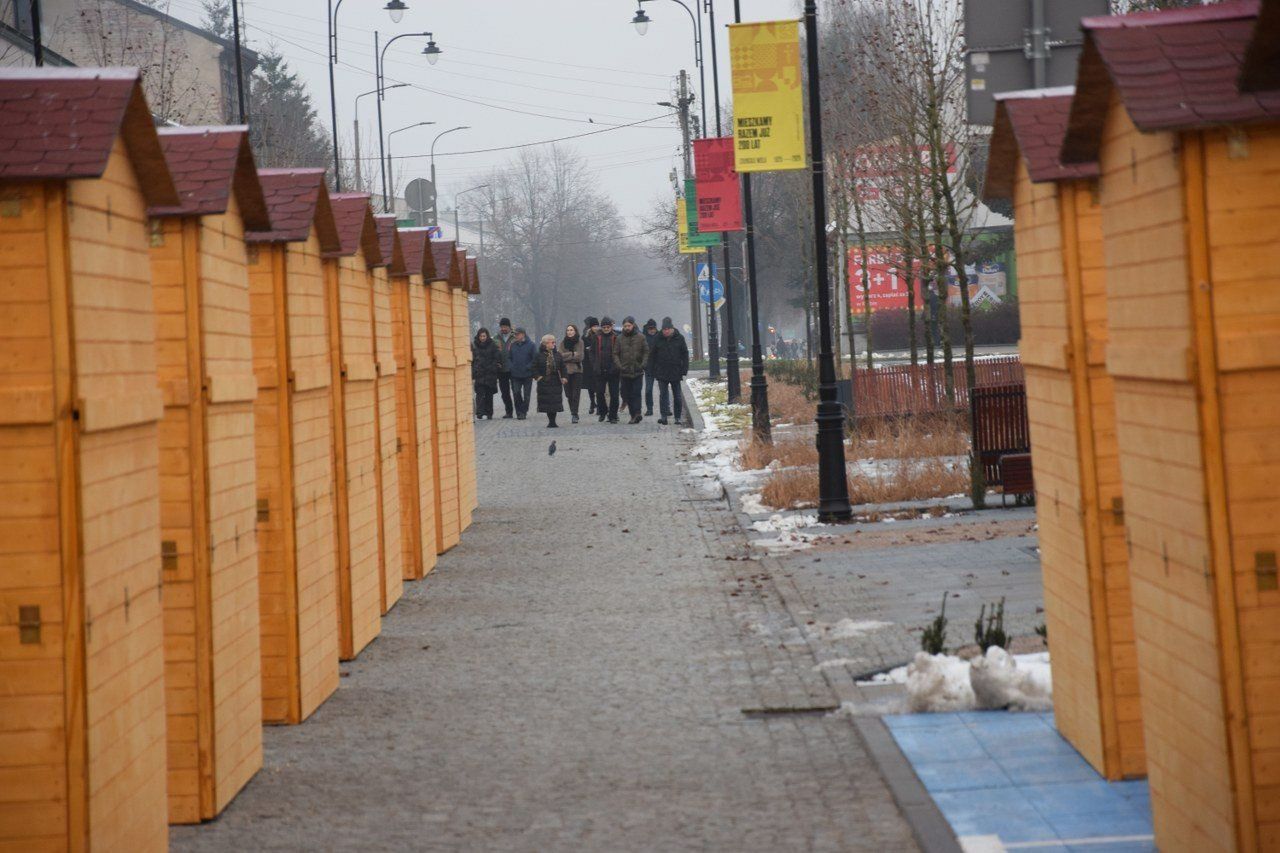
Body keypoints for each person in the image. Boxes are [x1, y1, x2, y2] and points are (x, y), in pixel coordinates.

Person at [648, 317, 689, 425]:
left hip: (676, 370)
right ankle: (664, 416)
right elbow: (652, 355)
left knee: (677, 395)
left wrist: (684, 369)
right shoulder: (658, 338)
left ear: (672, 328)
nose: (665, 331)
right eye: (664, 329)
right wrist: (652, 369)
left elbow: (685, 354)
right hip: (662, 371)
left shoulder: (679, 338)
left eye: (667, 329)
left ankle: (677, 417)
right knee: (663, 395)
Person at [616, 316, 648, 425]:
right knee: (626, 394)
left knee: (636, 393)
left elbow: (646, 352)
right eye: (625, 326)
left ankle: (637, 413)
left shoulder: (641, 337)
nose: (627, 328)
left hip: (637, 371)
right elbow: (615, 353)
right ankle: (632, 414)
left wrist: (642, 364)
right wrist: (619, 365)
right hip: (624, 371)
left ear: (633, 325)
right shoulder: (619, 338)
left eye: (628, 325)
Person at [590, 317, 621, 423]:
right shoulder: (596, 337)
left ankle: (613, 415)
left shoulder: (616, 337)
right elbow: (592, 352)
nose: (606, 329)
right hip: (599, 370)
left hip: (614, 370)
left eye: (608, 327)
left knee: (614, 394)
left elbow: (619, 353)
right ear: (601, 327)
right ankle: (603, 411)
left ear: (611, 327)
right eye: (604, 327)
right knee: (599, 393)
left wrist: (616, 366)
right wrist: (594, 365)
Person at [534, 334, 567, 428]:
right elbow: (533, 367)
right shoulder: (538, 355)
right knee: (547, 402)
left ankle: (553, 421)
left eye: (554, 342)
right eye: (552, 342)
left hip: (555, 381)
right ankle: (550, 421)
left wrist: (564, 377)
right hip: (544, 382)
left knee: (555, 402)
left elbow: (563, 367)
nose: (554, 344)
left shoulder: (557, 354)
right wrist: (538, 377)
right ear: (545, 344)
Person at [471, 327, 502, 419]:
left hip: (490, 373)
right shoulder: (475, 346)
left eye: (484, 336)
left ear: (487, 336)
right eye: (481, 336)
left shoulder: (492, 345)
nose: (482, 338)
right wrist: (474, 371)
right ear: (478, 336)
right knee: (479, 394)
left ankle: (489, 413)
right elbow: (472, 360)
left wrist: (493, 367)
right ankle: (479, 412)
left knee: (489, 394)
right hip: (479, 373)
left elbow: (496, 358)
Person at [506, 327, 536, 420]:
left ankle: (524, 412)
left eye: (517, 334)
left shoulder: (531, 345)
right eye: (515, 334)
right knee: (516, 393)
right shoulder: (513, 345)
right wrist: (511, 366)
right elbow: (509, 358)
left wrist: (528, 367)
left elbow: (534, 359)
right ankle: (519, 412)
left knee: (527, 395)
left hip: (527, 374)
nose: (515, 336)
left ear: (523, 334)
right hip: (515, 374)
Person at [558, 323, 585, 423]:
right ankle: (573, 411)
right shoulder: (562, 343)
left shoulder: (580, 342)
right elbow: (560, 356)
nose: (569, 332)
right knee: (568, 394)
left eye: (571, 330)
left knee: (575, 394)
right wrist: (572, 354)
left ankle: (574, 413)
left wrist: (567, 356)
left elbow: (580, 356)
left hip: (577, 371)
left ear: (575, 331)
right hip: (565, 372)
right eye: (568, 330)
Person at [494, 319, 516, 418]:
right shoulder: (496, 338)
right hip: (501, 369)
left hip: (513, 368)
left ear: (509, 327)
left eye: (505, 327)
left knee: (516, 391)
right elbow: (493, 352)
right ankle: (509, 411)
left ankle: (520, 411)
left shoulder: (515, 337)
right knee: (504, 392)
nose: (503, 329)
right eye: (502, 327)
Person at [581, 316, 600, 416]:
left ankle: (599, 406)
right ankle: (592, 403)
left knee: (598, 385)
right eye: (594, 326)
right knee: (590, 386)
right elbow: (583, 348)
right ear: (590, 327)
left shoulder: (601, 336)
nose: (596, 328)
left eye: (597, 326)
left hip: (598, 363)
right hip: (587, 364)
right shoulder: (585, 336)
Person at [642, 318, 659, 416]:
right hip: (648, 367)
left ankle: (666, 408)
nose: (652, 330)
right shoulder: (643, 338)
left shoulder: (660, 336)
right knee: (648, 390)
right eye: (650, 328)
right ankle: (649, 408)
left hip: (659, 367)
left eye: (653, 328)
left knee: (663, 390)